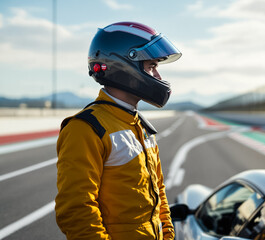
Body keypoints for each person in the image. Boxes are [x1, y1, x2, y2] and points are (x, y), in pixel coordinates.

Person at [55, 22, 182, 240]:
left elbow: (159, 192)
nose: (158, 77)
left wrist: (168, 235)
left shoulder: (141, 126)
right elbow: (76, 211)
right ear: (124, 65)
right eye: (151, 66)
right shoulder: (85, 128)